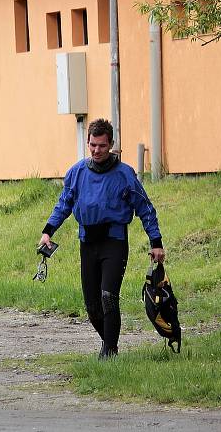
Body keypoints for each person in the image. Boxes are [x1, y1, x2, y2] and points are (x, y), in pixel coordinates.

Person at [39, 118, 165, 359]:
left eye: (102, 146)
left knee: (108, 297)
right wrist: (48, 231)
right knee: (92, 307)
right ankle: (109, 344)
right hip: (88, 243)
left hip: (114, 242)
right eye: (93, 145)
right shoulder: (76, 172)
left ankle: (109, 351)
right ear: (88, 143)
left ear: (111, 145)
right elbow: (63, 204)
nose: (97, 151)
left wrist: (156, 242)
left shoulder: (125, 174)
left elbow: (145, 208)